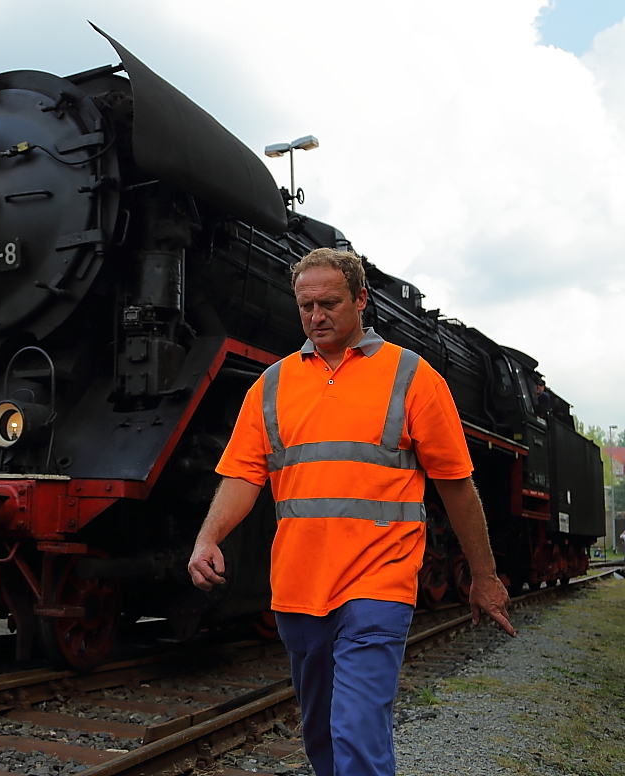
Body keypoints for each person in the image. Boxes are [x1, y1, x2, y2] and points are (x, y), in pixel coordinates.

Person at [187, 248, 515, 776]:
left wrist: (484, 576)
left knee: (356, 730)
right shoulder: (271, 386)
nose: (316, 316)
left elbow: (457, 485)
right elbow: (243, 477)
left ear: (361, 300)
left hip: (378, 582)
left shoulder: (412, 377)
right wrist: (208, 539)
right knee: (320, 733)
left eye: (330, 303)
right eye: (306, 305)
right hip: (299, 588)